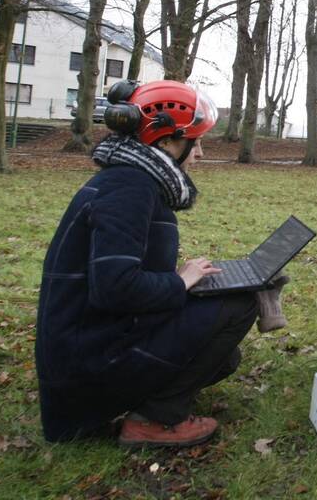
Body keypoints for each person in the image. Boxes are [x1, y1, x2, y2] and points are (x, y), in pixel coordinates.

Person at [34, 79, 289, 446]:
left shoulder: (129, 180)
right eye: (195, 141)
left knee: (225, 359)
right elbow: (115, 288)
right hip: (88, 367)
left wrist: (183, 279)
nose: (199, 153)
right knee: (239, 304)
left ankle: (152, 397)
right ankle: (154, 421)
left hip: (92, 347)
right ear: (166, 141)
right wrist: (180, 283)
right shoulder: (130, 189)